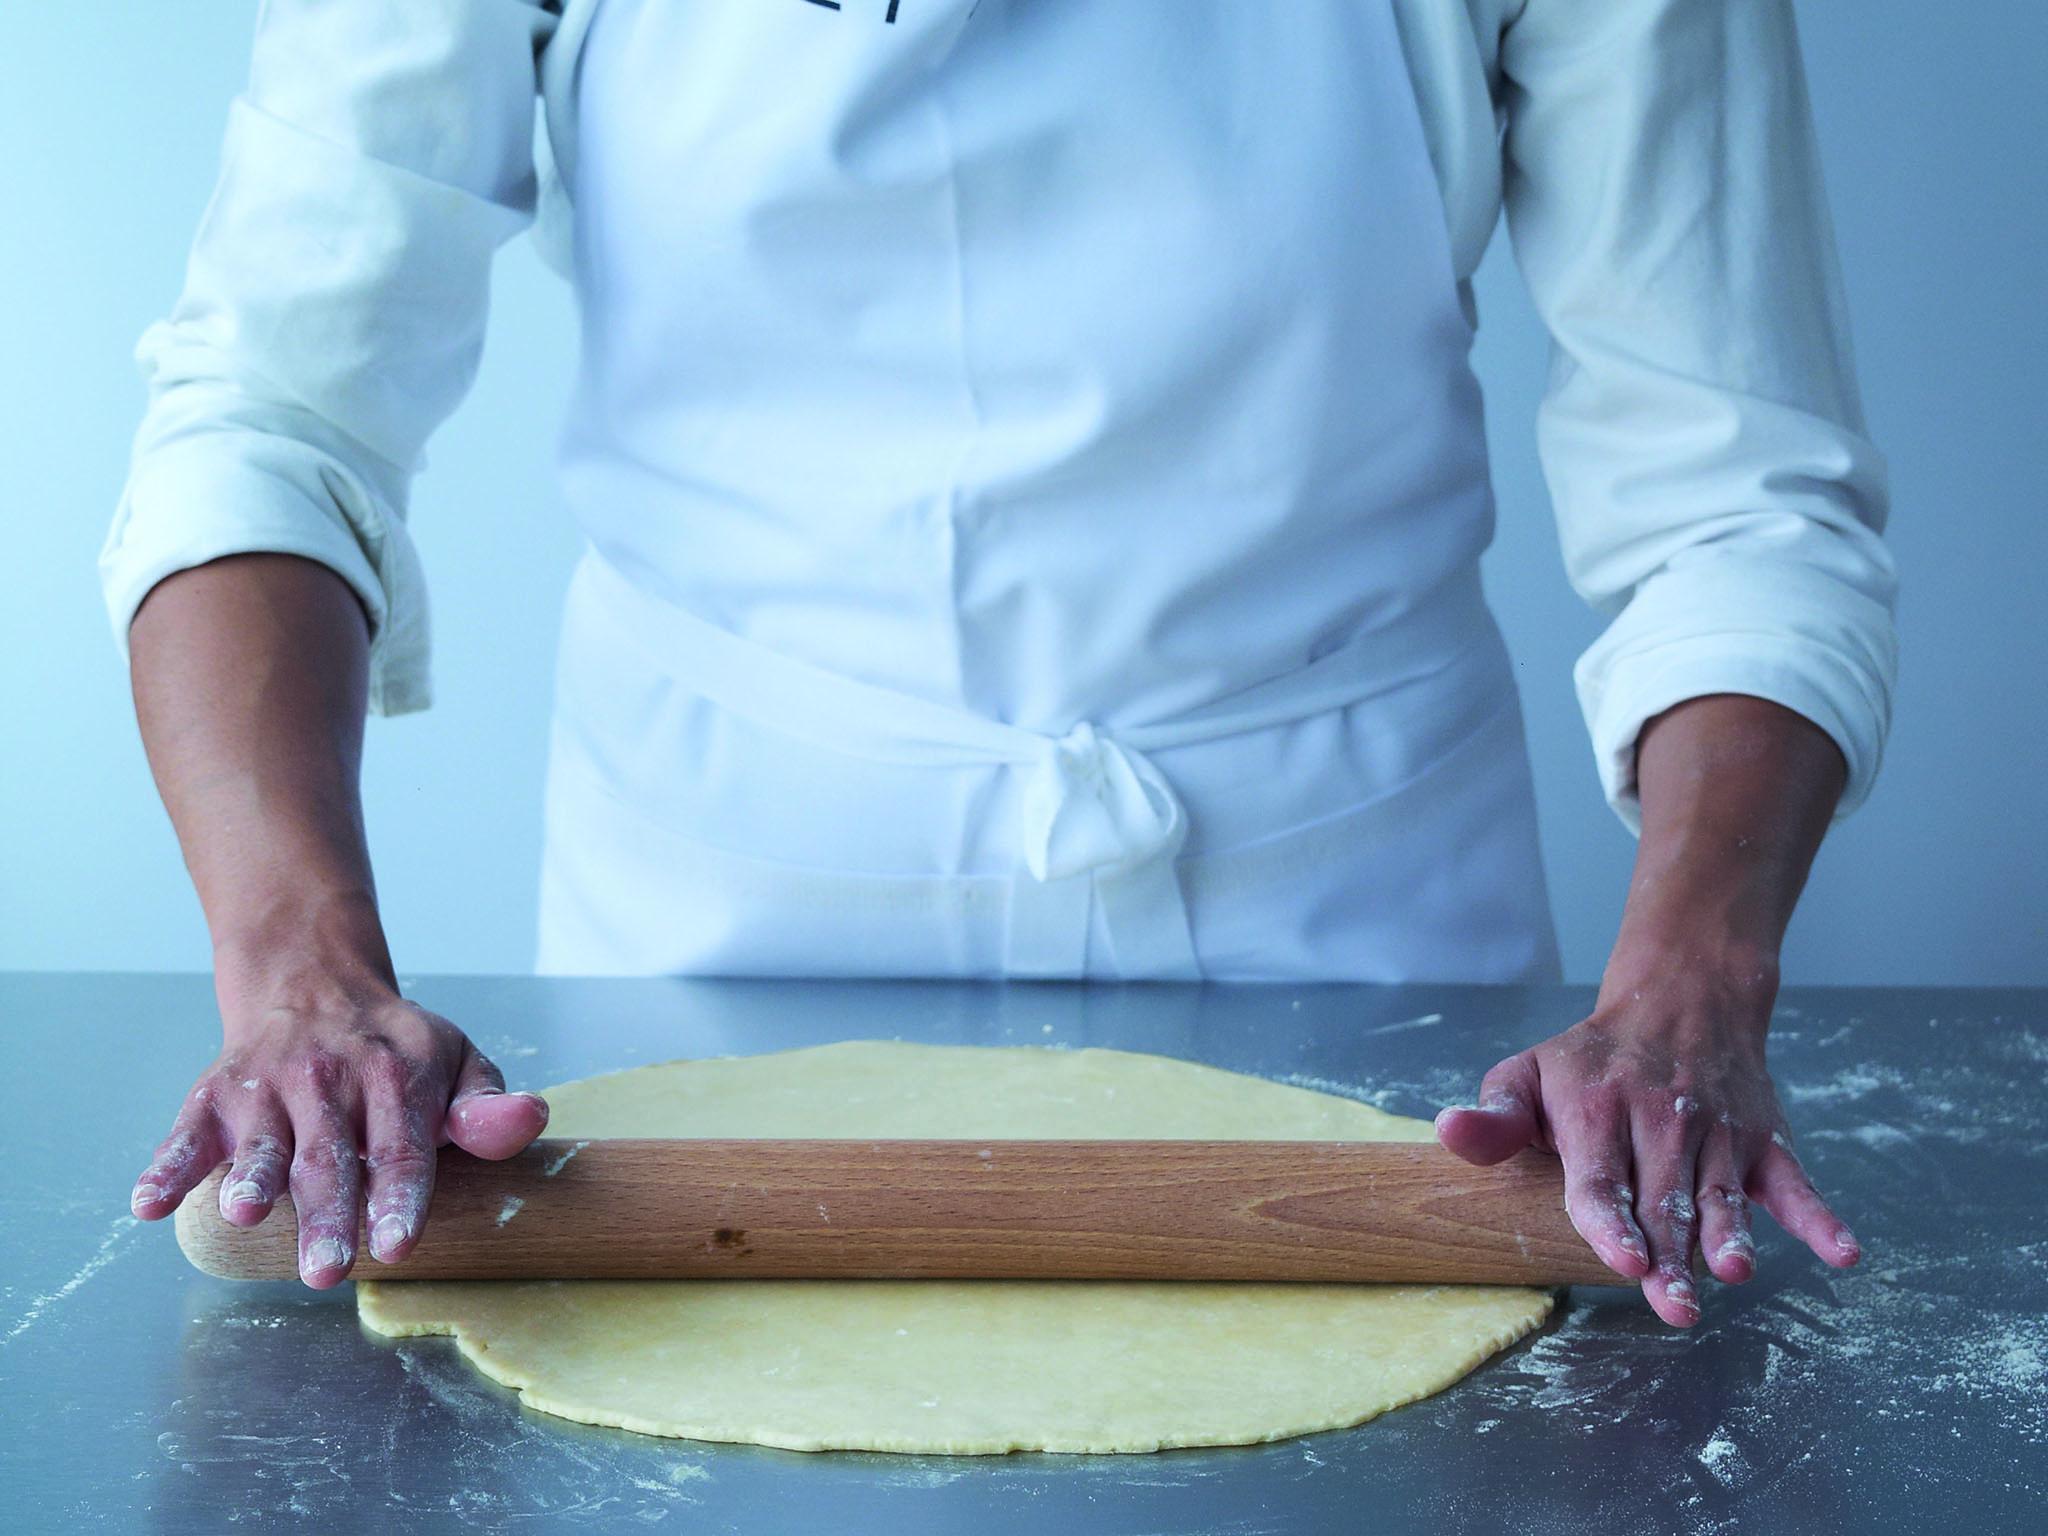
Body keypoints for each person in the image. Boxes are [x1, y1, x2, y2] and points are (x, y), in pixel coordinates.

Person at [107, 0, 1895, 1328]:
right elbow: (273, 420)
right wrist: (299, 969)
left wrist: (1686, 986)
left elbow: (1733, 497)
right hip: (701, 968)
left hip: (1359, 962)